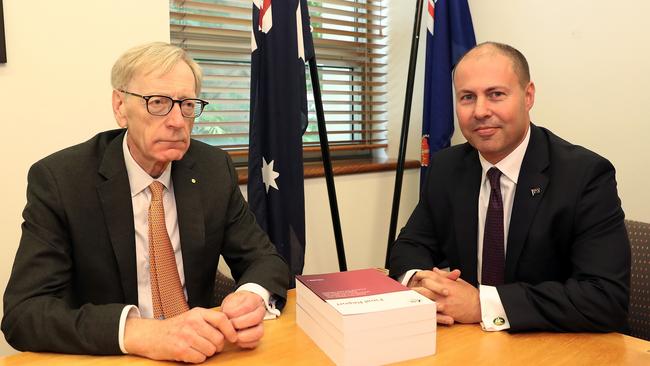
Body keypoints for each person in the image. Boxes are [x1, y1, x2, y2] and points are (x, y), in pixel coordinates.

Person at [2, 42, 290, 363]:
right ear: (120, 106)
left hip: (203, 352)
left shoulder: (211, 168)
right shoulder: (62, 180)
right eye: (158, 103)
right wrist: (139, 332)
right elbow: (23, 313)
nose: (178, 121)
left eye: (187, 104)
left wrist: (251, 297)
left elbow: (265, 260)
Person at [389, 42, 630, 333]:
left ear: (528, 96)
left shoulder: (584, 175)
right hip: (464, 341)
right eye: (467, 97)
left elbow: (604, 298)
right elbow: (411, 245)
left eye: (496, 94)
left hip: (547, 347)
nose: (480, 111)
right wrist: (420, 282)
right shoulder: (447, 167)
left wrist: (483, 304)